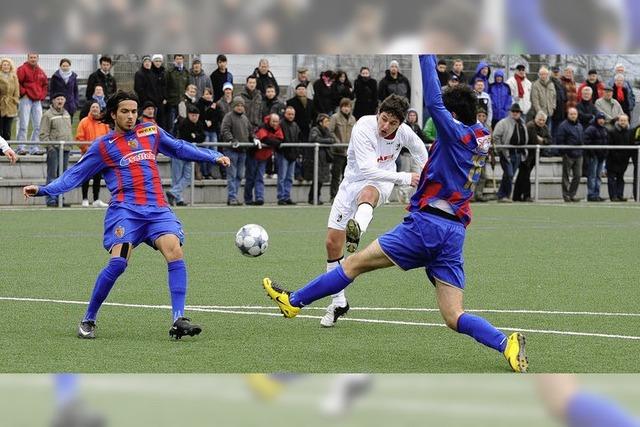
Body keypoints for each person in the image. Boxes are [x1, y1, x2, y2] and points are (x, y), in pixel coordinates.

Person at [262, 55, 528, 373]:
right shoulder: (480, 136)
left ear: (453, 116)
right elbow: (458, 114)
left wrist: (426, 54)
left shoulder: (454, 133)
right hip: (454, 233)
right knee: (453, 316)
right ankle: (505, 343)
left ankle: (294, 302)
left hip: (426, 226)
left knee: (352, 263)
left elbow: (433, 99)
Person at [22, 90, 230, 339]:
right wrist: (44, 190)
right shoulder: (103, 146)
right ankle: (89, 318)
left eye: (134, 111)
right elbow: (74, 175)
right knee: (119, 262)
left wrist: (214, 156)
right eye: (125, 112)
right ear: (113, 114)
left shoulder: (150, 131)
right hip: (125, 211)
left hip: (157, 210)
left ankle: (178, 319)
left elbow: (179, 147)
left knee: (174, 250)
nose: (131, 116)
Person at [317, 96, 428, 328]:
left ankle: (357, 228)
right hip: (351, 183)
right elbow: (367, 168)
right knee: (331, 243)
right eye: (384, 119)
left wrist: (427, 177)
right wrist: (407, 178)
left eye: (392, 123)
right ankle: (339, 302)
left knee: (367, 196)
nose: (385, 126)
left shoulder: (405, 132)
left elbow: (421, 153)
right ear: (379, 113)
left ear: (400, 124)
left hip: (381, 182)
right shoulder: (363, 127)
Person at [166, 104, 206, 206]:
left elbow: (202, 137)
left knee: (188, 177)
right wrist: (195, 136)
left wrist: (195, 136)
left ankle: (174, 193)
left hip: (189, 154)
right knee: (177, 177)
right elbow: (187, 136)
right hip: (178, 153)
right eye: (193, 115)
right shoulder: (184, 123)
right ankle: (179, 199)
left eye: (196, 115)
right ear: (189, 115)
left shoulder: (199, 124)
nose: (195, 117)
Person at [220, 96, 255, 206]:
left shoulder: (245, 118)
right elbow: (224, 130)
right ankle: (232, 197)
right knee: (232, 175)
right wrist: (231, 139)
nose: (240, 108)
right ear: (234, 106)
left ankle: (233, 196)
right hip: (231, 150)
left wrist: (255, 138)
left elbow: (250, 131)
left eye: (241, 105)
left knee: (240, 175)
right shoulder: (228, 117)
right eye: (238, 105)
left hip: (243, 150)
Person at [40, 93, 72, 207]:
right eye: (58, 99)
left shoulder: (67, 113)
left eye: (62, 99)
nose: (60, 101)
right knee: (52, 175)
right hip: (54, 150)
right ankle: (51, 199)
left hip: (66, 149)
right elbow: (43, 134)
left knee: (62, 176)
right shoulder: (48, 115)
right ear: (53, 101)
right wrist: (50, 148)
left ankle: (60, 198)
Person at [76, 100, 110, 208]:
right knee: (86, 177)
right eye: (93, 107)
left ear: (100, 109)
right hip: (87, 154)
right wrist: (87, 149)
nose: (95, 109)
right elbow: (79, 138)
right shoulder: (84, 122)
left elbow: (108, 137)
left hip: (100, 156)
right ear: (90, 109)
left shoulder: (103, 123)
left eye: (97, 107)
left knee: (97, 177)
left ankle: (96, 199)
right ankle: (85, 199)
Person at [245, 113, 284, 205]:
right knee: (250, 178)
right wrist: (274, 142)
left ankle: (259, 198)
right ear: (269, 121)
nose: (275, 123)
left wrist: (273, 142)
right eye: (273, 121)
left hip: (264, 157)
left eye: (277, 122)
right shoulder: (263, 127)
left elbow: (280, 140)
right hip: (254, 156)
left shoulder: (278, 129)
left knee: (259, 178)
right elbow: (265, 139)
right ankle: (248, 199)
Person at [493, 103, 527, 203]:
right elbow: (496, 136)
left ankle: (501, 195)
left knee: (508, 175)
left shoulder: (522, 123)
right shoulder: (503, 123)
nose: (515, 113)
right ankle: (506, 195)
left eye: (517, 112)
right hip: (506, 153)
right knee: (509, 174)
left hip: (518, 153)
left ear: (520, 113)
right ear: (510, 112)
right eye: (513, 111)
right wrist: (500, 149)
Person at [513, 111, 550, 202]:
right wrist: (542, 141)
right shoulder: (530, 126)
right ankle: (525, 196)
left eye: (543, 120)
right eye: (539, 120)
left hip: (534, 155)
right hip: (527, 155)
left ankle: (518, 196)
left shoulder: (545, 127)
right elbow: (534, 141)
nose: (541, 122)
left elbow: (550, 140)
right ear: (535, 118)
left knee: (523, 175)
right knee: (524, 176)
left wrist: (543, 140)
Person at [16, 53, 48, 155]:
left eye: (35, 57)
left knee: (38, 125)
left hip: (37, 100)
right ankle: (21, 147)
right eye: (31, 57)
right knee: (23, 124)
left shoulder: (40, 71)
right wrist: (23, 93)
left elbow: (45, 85)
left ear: (38, 58)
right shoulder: (22, 69)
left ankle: (34, 148)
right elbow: (17, 82)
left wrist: (42, 96)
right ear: (28, 58)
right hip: (26, 99)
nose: (33, 59)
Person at [328, 98, 356, 201]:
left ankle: (344, 197)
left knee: (347, 176)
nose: (346, 109)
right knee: (335, 175)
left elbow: (355, 133)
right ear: (341, 107)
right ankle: (333, 196)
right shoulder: (335, 117)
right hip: (338, 151)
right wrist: (337, 143)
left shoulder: (353, 119)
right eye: (344, 106)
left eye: (348, 106)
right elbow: (330, 131)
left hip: (349, 152)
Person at [305, 113, 336, 204]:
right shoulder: (315, 129)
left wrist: (327, 141)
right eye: (326, 121)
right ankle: (312, 197)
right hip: (316, 158)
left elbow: (332, 139)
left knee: (321, 180)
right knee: (316, 179)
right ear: (320, 122)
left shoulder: (327, 131)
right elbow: (315, 139)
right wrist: (327, 141)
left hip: (324, 159)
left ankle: (316, 197)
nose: (327, 123)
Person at [556, 107, 584, 202]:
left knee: (578, 175)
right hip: (568, 154)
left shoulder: (580, 126)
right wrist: (564, 152)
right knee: (566, 176)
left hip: (578, 154)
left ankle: (572, 194)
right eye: (571, 114)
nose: (573, 116)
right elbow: (560, 140)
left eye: (575, 114)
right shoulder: (563, 126)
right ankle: (565, 195)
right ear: (568, 115)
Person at [277, 106, 300, 205]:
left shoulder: (295, 125)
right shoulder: (280, 124)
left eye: (292, 114)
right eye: (289, 114)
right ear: (285, 114)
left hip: (293, 154)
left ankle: (287, 196)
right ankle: (281, 197)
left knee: (290, 177)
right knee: (282, 177)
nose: (291, 116)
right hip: (283, 154)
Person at [583, 112, 608, 202]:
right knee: (592, 176)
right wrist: (592, 153)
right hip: (593, 156)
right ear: (597, 119)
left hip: (601, 156)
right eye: (600, 119)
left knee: (598, 176)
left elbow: (607, 142)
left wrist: (605, 153)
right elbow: (586, 141)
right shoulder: (591, 129)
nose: (601, 121)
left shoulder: (605, 130)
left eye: (603, 119)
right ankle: (591, 194)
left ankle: (597, 194)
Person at [607, 114, 632, 202]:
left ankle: (620, 195)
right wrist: (616, 156)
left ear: (627, 121)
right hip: (612, 160)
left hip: (624, 160)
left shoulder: (630, 132)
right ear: (618, 121)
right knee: (612, 179)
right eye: (621, 120)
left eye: (625, 120)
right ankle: (613, 196)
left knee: (621, 178)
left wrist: (627, 156)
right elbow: (610, 146)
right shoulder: (612, 131)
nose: (623, 122)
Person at [165, 54, 190, 135]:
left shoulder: (186, 72)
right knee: (172, 125)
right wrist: (167, 98)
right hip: (172, 102)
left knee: (182, 124)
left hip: (183, 103)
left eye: (180, 58)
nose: (179, 60)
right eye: (177, 59)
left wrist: (186, 98)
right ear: (174, 60)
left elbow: (188, 87)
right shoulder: (170, 72)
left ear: (183, 60)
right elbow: (166, 86)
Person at [0, 57, 19, 141]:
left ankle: (7, 148)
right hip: (1, 104)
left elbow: (17, 90)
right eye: (4, 65)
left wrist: (15, 100)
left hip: (11, 105)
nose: (6, 66)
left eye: (8, 65)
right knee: (0, 129)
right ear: (1, 66)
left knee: (7, 130)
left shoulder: (14, 77)